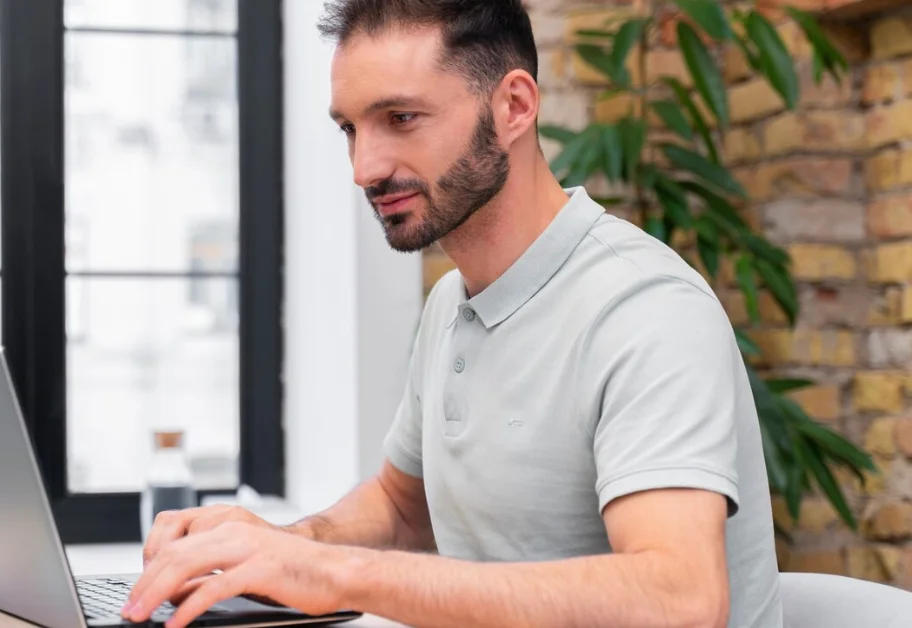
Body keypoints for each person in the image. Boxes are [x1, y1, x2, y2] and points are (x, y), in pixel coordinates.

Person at [122, 1, 781, 626]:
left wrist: (333, 572)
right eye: (351, 128)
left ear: (514, 107)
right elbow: (403, 508)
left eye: (401, 118)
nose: (364, 166)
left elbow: (682, 602)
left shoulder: (644, 308)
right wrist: (280, 545)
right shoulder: (453, 301)